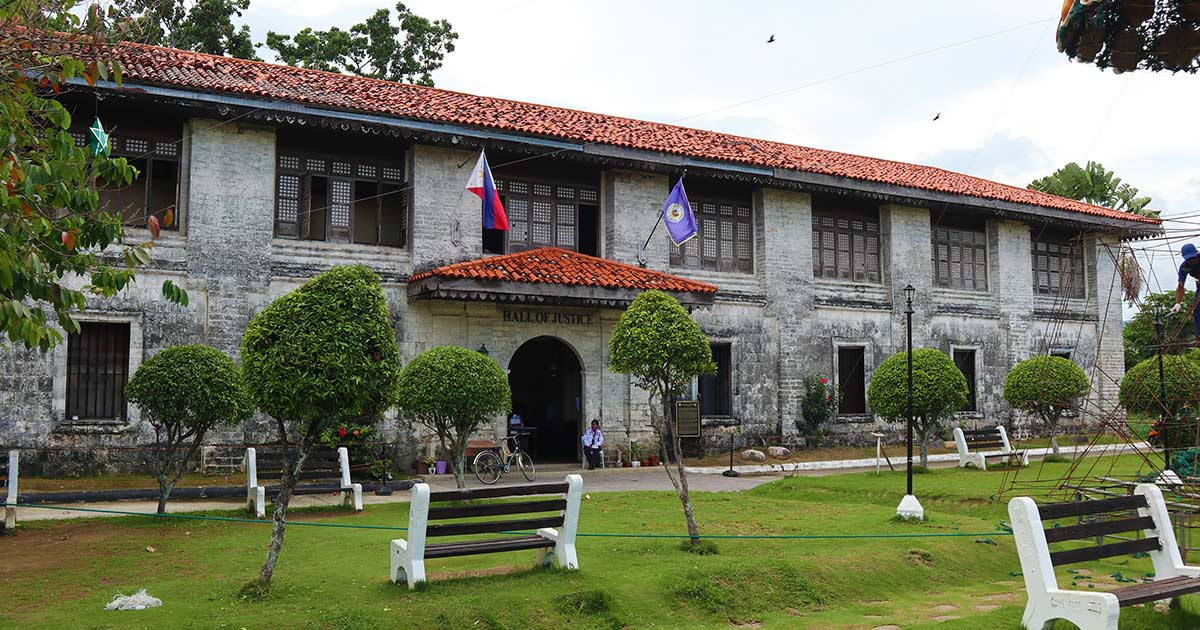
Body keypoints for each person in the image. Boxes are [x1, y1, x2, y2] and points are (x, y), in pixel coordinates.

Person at [1171, 243, 1200, 336]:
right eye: (1189, 259)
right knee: (1196, 309)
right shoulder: (1184, 267)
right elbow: (1180, 286)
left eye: (1193, 258)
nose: (1192, 261)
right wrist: (1178, 303)